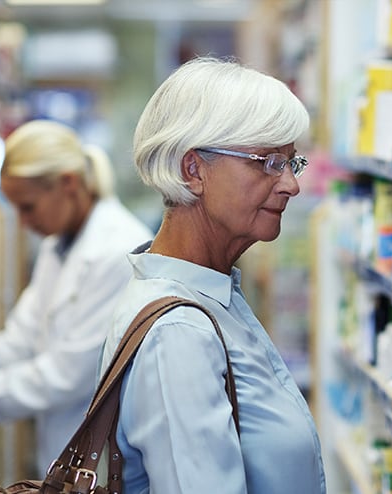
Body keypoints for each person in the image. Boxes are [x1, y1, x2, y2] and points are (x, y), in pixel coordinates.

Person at [98, 56, 325, 493]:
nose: (291, 185)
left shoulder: (211, 294)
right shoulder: (177, 333)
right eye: (268, 162)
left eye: (291, 163)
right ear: (193, 170)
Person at [0, 119, 153, 475]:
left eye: (28, 207)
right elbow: (19, 341)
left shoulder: (119, 252)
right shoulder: (56, 247)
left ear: (68, 183)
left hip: (110, 463)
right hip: (66, 451)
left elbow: (65, 377)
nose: (22, 221)